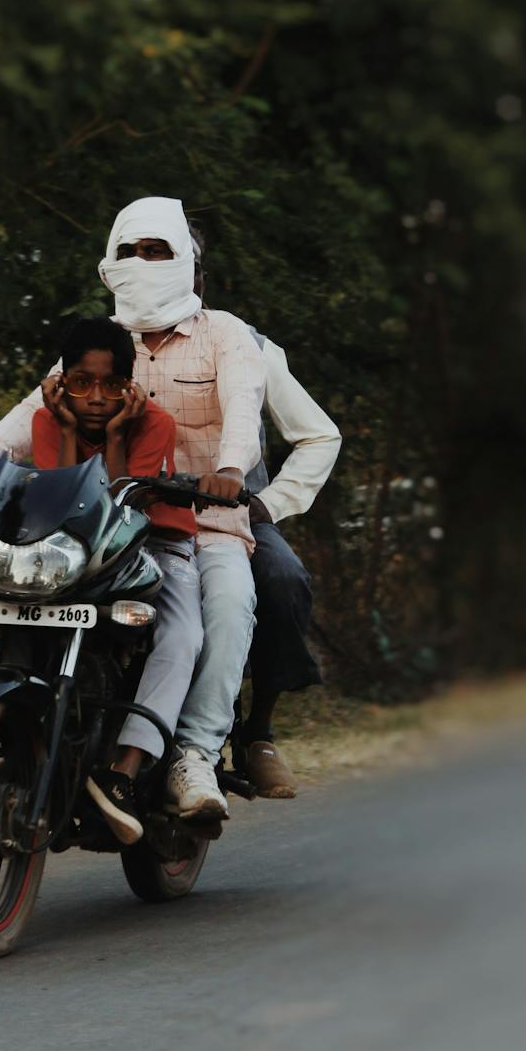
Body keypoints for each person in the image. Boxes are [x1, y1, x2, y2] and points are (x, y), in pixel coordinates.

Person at [0, 197, 266, 824]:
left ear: (187, 260)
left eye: (156, 251)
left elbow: (244, 406)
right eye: (129, 251)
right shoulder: (99, 343)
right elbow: (27, 422)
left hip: (199, 523)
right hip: (88, 536)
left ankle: (191, 755)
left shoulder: (224, 335)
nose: (141, 263)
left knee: (217, 616)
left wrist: (229, 471)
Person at [31, 314, 202, 846]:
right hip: (72, 550)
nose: (96, 398)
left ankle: (124, 771)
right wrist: (65, 430)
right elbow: (64, 504)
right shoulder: (46, 421)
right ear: (62, 382)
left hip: (156, 544)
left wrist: (114, 435)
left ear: (130, 386)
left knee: (182, 635)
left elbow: (116, 507)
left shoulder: (154, 423)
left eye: (111, 385)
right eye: (82, 383)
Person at [186, 226, 341, 799]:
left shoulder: (247, 343)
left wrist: (267, 503)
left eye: (181, 262)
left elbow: (320, 435)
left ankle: (258, 732)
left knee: (282, 577)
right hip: (134, 511)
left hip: (233, 515)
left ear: (200, 277)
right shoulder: (110, 343)